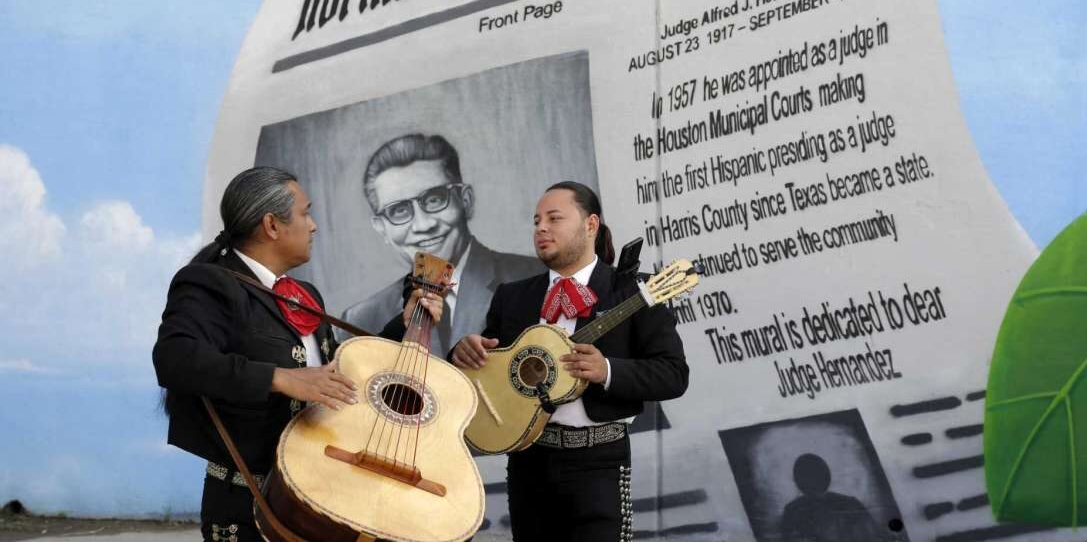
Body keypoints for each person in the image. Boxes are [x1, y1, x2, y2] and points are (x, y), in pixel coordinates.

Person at [152, 167, 441, 542]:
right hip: (249, 503)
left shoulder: (302, 294)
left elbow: (336, 372)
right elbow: (175, 358)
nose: (314, 225)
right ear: (272, 225)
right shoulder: (209, 282)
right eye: (305, 213)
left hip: (319, 499)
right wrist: (280, 377)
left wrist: (402, 326)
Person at [451, 181, 689, 542]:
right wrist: (465, 353)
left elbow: (673, 374)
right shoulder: (513, 296)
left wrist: (607, 370)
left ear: (590, 225)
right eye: (536, 221)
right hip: (529, 461)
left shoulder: (633, 291)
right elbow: (492, 369)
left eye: (554, 218)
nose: (541, 228)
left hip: (599, 462)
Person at [343, 133, 541, 355]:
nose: (423, 224)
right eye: (398, 211)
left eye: (434, 199)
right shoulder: (362, 318)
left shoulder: (534, 278)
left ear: (466, 201)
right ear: (382, 228)